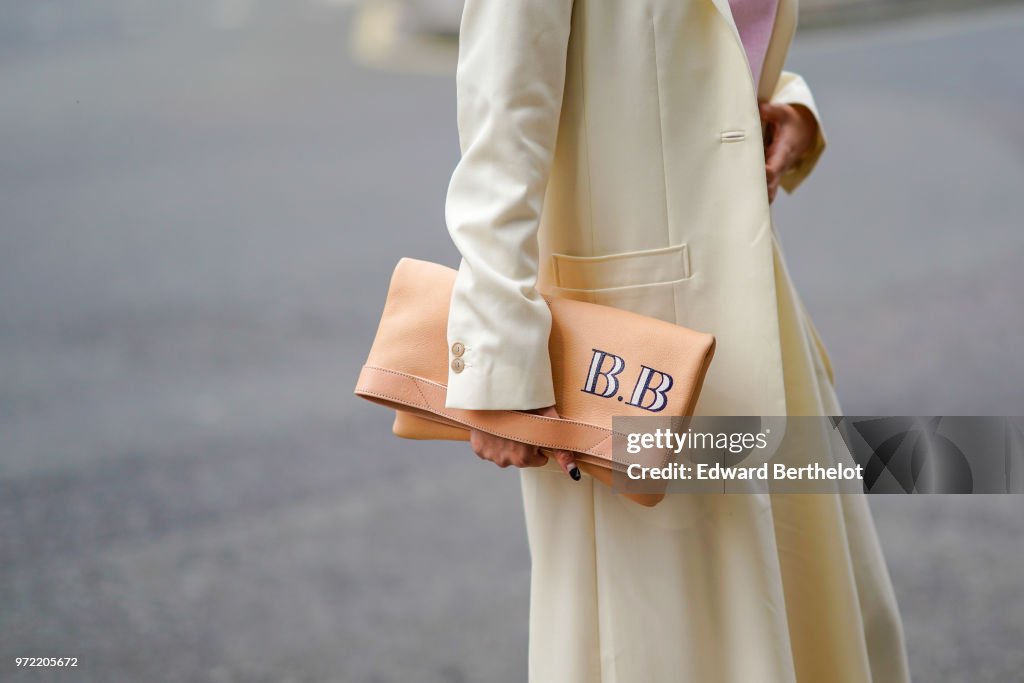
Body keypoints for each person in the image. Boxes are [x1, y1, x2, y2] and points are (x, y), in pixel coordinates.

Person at [442, 0, 913, 680]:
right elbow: (499, 124)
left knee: (817, 624)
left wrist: (784, 102)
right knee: (662, 646)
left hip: (757, 318)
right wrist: (496, 363)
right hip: (631, 355)